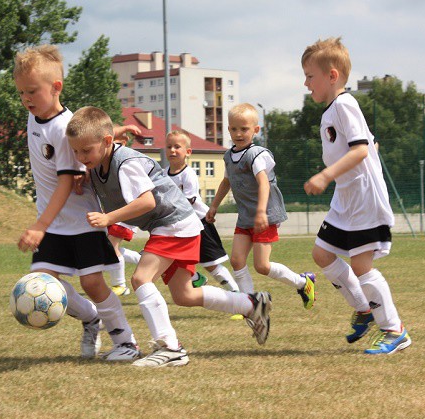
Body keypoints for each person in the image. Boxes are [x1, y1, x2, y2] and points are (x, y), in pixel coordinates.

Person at [66, 106, 272, 368]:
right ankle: (250, 304)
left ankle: (170, 348)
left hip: (173, 223)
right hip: (178, 224)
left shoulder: (126, 163)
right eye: (75, 151)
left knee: (141, 278)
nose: (80, 157)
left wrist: (109, 218)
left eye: (85, 151)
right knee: (184, 295)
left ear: (107, 142)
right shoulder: (97, 164)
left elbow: (147, 202)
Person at [14, 44, 140, 362]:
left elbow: (67, 180)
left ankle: (126, 341)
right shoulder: (35, 117)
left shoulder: (63, 127)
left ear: (56, 87)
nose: (26, 99)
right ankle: (90, 318)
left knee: (93, 283)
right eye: (21, 93)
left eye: (32, 92)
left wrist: (39, 226)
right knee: (42, 282)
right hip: (52, 221)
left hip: (82, 220)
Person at [302, 36, 411, 355]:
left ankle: (395, 329)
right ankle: (364, 308)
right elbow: (370, 144)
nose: (306, 83)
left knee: (362, 265)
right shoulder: (336, 109)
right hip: (345, 200)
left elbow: (360, 149)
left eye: (310, 76)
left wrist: (325, 175)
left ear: (331, 76)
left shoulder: (345, 104)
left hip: (363, 200)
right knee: (322, 254)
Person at [206, 104, 316, 311]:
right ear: (228, 129)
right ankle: (250, 305)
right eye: (234, 129)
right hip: (245, 217)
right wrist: (213, 206)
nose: (238, 134)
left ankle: (303, 283)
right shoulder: (228, 156)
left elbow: (264, 183)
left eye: (244, 129)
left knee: (262, 266)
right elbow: (226, 182)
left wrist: (260, 212)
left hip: (263, 216)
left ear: (255, 130)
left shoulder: (257, 154)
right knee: (237, 260)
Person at [165, 129, 239, 292]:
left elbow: (187, 202)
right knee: (167, 257)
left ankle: (237, 295)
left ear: (188, 152)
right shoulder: (164, 175)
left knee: (212, 265)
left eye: (177, 146)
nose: (172, 150)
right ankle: (196, 279)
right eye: (169, 146)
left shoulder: (188, 174)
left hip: (199, 224)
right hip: (178, 226)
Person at [107, 222, 141, 296]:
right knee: (106, 248)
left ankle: (120, 286)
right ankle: (147, 260)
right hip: (111, 216)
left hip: (123, 219)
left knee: (111, 248)